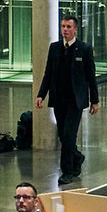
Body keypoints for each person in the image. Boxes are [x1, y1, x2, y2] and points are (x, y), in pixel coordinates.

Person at [36, 15, 99, 186]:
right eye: (63, 26)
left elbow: (91, 76)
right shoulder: (55, 48)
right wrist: (41, 94)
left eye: (69, 27)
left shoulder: (84, 49)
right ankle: (77, 157)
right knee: (64, 137)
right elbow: (48, 73)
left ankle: (67, 171)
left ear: (75, 29)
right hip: (59, 99)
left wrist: (95, 100)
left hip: (75, 101)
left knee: (69, 135)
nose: (65, 30)